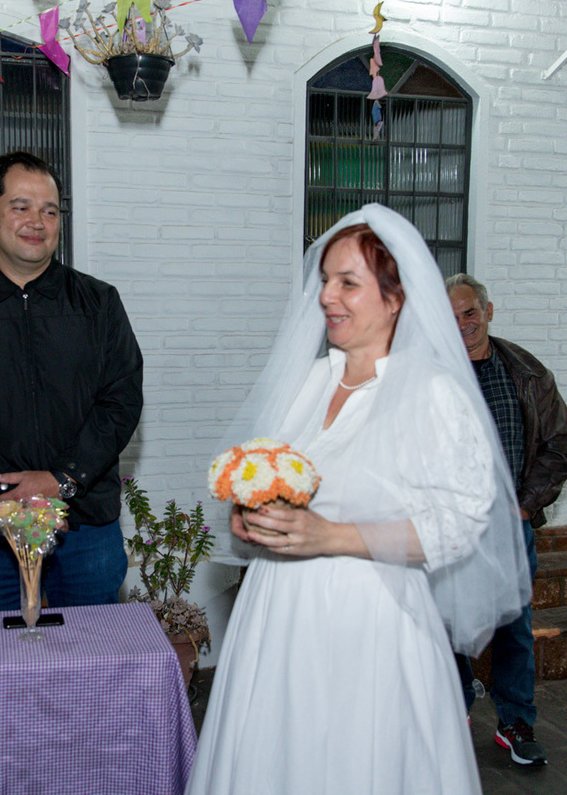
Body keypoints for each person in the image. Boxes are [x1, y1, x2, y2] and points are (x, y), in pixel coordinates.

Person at [188, 205, 532, 794]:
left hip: (370, 621)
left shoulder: (431, 392)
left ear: (396, 298)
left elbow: (457, 525)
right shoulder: (311, 380)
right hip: (277, 613)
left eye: (348, 282)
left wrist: (331, 536)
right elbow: (278, 475)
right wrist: (252, 515)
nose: (327, 296)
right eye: (326, 280)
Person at [0, 151, 143, 613]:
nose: (37, 221)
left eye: (49, 211)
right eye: (21, 207)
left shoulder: (99, 303)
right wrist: (11, 497)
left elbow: (120, 401)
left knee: (93, 652)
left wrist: (62, 479)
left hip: (85, 527)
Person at [446, 272, 567, 766]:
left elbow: (563, 440)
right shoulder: (431, 373)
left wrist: (525, 504)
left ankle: (515, 722)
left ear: (488, 312)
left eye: (470, 312)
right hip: (449, 527)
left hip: (508, 526)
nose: (463, 324)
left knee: (513, 625)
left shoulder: (526, 371)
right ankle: (454, 705)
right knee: (443, 619)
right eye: (452, 316)